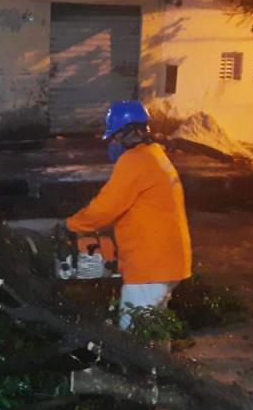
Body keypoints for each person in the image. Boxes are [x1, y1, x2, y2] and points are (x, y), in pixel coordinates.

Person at [65, 100, 192, 330]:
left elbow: (105, 208)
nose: (112, 144)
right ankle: (160, 356)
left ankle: (141, 356)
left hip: (149, 267)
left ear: (128, 134)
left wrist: (72, 226)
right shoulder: (156, 155)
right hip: (169, 262)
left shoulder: (134, 161)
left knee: (133, 334)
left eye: (114, 137)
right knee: (154, 331)